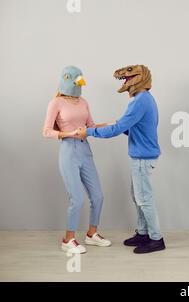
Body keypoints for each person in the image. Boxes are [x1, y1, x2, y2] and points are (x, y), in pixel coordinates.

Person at [78, 64, 165, 254]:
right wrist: (108, 125)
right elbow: (130, 127)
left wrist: (90, 131)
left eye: (129, 73)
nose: (124, 77)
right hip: (141, 155)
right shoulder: (145, 99)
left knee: (144, 199)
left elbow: (119, 129)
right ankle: (143, 233)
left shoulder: (139, 101)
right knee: (138, 197)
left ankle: (156, 239)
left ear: (141, 77)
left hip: (143, 157)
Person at [43, 66, 112, 254]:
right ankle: (68, 239)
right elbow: (46, 131)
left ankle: (92, 234)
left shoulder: (83, 102)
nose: (79, 81)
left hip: (85, 150)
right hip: (68, 151)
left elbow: (90, 126)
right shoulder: (56, 102)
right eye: (76, 78)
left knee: (98, 196)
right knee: (77, 199)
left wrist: (110, 125)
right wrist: (68, 133)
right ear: (68, 79)